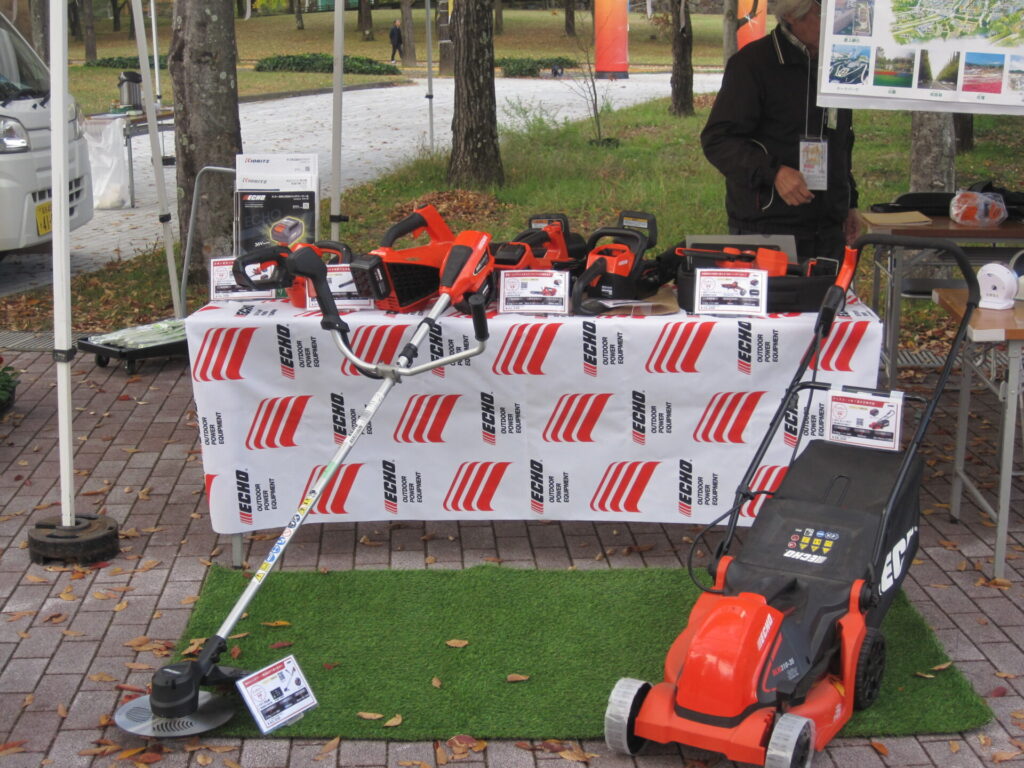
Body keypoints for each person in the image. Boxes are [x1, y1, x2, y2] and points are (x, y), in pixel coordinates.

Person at [700, 0, 860, 264]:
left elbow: (842, 139)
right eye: (825, 13)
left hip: (829, 229)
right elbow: (718, 140)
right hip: (767, 227)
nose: (838, 23)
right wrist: (774, 172)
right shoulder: (753, 64)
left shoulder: (838, 64)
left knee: (829, 293)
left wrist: (849, 202)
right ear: (792, 15)